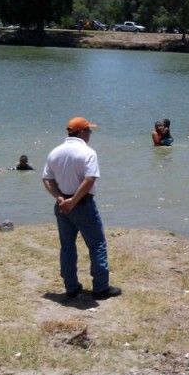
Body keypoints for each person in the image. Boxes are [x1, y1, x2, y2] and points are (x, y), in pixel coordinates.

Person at [42, 117, 121, 301]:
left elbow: (47, 178)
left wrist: (60, 198)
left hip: (62, 206)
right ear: (83, 132)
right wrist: (74, 200)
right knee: (97, 245)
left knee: (67, 247)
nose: (90, 135)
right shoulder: (87, 152)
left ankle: (71, 288)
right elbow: (90, 179)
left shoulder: (55, 152)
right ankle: (101, 288)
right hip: (83, 204)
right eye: (90, 131)